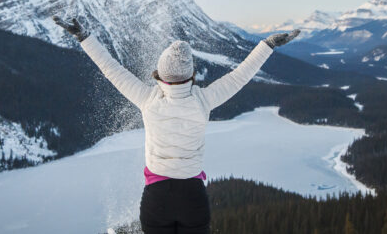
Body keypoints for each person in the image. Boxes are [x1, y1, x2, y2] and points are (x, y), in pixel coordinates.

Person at [53, 15, 300, 234]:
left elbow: (111, 69)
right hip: (192, 197)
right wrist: (267, 45)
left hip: (156, 199)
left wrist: (84, 37)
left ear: (159, 73)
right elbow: (239, 76)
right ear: (191, 74)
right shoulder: (203, 100)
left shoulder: (147, 99)